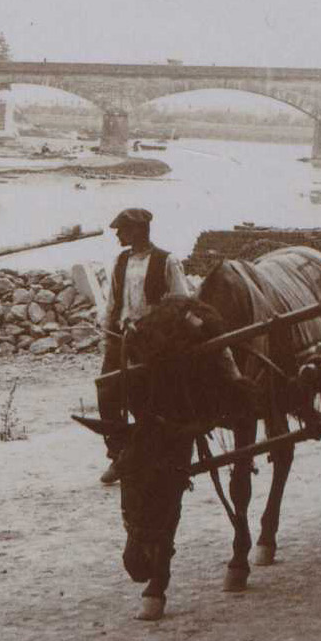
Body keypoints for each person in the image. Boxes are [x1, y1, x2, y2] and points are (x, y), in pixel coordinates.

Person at [98, 208, 190, 485]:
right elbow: (114, 301)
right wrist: (108, 331)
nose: (118, 235)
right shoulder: (121, 261)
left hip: (153, 341)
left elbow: (180, 302)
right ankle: (118, 453)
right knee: (107, 390)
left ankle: (148, 454)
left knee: (147, 399)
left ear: (138, 231)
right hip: (122, 338)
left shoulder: (167, 261)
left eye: (122, 230)